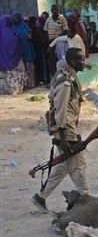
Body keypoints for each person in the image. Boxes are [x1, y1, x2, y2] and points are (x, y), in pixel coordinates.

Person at [31, 48, 88, 213]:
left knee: (62, 166)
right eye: (80, 60)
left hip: (68, 127)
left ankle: (40, 197)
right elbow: (60, 110)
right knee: (79, 167)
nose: (84, 63)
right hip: (66, 129)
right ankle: (87, 199)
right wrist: (63, 138)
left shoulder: (67, 76)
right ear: (71, 62)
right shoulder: (65, 83)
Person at [0, 15, 26, 95]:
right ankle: (16, 88)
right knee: (15, 72)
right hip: (14, 59)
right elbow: (15, 41)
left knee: (6, 74)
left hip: (3, 59)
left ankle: (8, 89)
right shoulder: (9, 31)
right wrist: (17, 37)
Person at [12, 13, 35, 89]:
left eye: (18, 18)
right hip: (17, 48)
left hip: (27, 47)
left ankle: (30, 83)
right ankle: (23, 84)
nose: (17, 19)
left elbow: (30, 32)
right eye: (16, 18)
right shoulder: (12, 26)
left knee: (29, 64)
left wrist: (29, 36)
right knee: (21, 65)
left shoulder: (24, 25)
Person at [45, 5, 67, 78]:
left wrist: (57, 38)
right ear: (51, 10)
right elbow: (45, 31)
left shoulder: (62, 19)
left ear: (58, 10)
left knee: (59, 60)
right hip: (50, 43)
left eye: (56, 9)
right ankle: (53, 78)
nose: (54, 10)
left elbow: (65, 31)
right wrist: (48, 40)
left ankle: (61, 77)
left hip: (59, 43)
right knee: (51, 61)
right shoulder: (48, 19)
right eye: (53, 9)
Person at [28, 16, 48, 85]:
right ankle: (39, 80)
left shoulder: (39, 30)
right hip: (36, 51)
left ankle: (41, 79)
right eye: (36, 21)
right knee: (38, 65)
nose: (37, 23)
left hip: (39, 50)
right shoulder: (32, 30)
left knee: (40, 65)